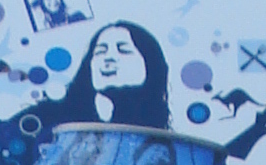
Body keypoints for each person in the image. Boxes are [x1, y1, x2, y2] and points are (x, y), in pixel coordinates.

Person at [38, 21, 173, 131]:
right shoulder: (47, 118)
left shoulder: (159, 139)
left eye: (124, 51)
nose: (108, 58)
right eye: (100, 51)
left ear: (150, 64)